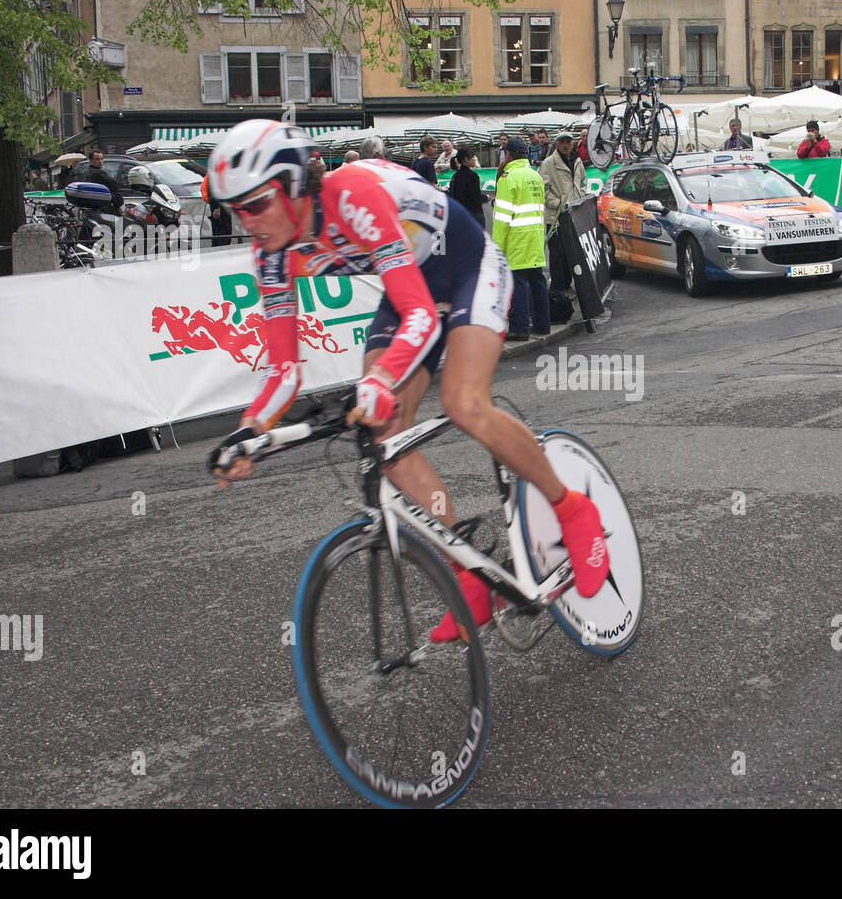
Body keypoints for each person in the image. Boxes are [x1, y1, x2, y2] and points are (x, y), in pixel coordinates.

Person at [205, 120, 609, 642]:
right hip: (410, 288)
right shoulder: (272, 255)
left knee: (465, 403)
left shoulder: (350, 195)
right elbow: (285, 369)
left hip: (469, 269)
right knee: (383, 435)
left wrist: (378, 380)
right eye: (235, 210)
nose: (246, 222)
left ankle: (573, 508)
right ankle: (469, 573)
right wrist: (252, 429)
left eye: (255, 205)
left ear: (292, 186)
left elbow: (420, 314)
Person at [493, 139, 548, 341]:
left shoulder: (508, 178)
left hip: (517, 239)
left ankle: (519, 328)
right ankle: (543, 324)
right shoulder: (535, 176)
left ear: (507, 155)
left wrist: (497, 247)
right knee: (537, 281)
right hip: (535, 236)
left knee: (518, 284)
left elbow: (502, 218)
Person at [538, 130, 587, 230]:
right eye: (562, 142)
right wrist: (558, 204)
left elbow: (583, 182)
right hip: (555, 218)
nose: (565, 145)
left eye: (568, 142)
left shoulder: (577, 161)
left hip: (575, 215)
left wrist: (580, 197)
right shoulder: (548, 163)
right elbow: (541, 189)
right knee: (558, 245)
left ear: (572, 144)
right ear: (556, 144)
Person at [446, 145, 487, 228]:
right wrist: (485, 197)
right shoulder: (472, 176)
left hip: (459, 215)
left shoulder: (455, 176)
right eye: (472, 157)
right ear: (465, 159)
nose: (475, 159)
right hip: (473, 215)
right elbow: (475, 197)